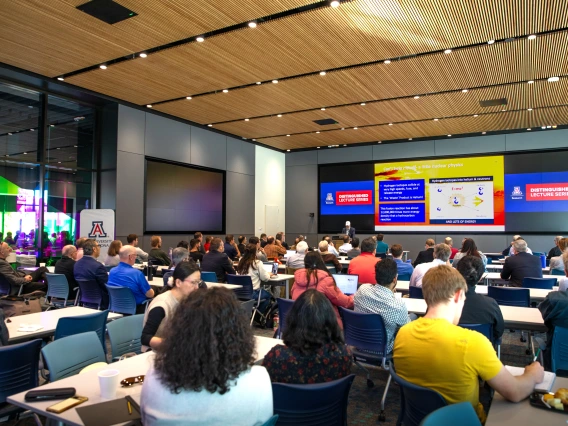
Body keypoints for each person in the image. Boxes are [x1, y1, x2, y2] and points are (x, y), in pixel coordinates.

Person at [394, 265, 544, 423]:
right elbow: (515, 392)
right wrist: (532, 375)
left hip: (415, 420)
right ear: (458, 295)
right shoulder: (472, 342)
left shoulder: (403, 333)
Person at [141, 286, 273, 426]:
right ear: (239, 332)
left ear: (178, 329)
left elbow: (145, 420)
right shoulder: (260, 379)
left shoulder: (154, 378)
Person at [263, 289, 352, 383]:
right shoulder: (344, 356)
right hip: (329, 398)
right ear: (331, 320)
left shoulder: (277, 356)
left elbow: (264, 389)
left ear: (293, 319)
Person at [354, 258, 411, 354]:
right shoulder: (398, 306)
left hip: (359, 345)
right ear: (394, 279)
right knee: (411, 318)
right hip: (383, 350)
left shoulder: (361, 290)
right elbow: (408, 330)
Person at [141, 261, 201, 352]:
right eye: (193, 282)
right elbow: (145, 338)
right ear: (178, 282)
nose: (197, 287)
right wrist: (175, 343)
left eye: (198, 282)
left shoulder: (187, 300)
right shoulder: (161, 305)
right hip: (156, 354)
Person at [292, 251, 353, 328]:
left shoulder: (297, 281)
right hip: (323, 327)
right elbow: (345, 302)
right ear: (321, 262)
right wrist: (355, 297)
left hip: (300, 326)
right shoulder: (326, 281)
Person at [456, 255, 504, 342]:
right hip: (482, 351)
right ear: (480, 278)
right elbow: (498, 332)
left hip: (448, 351)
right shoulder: (490, 304)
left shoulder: (441, 304)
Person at [108, 245, 155, 313]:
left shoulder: (112, 271)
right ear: (130, 257)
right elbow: (150, 294)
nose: (136, 257)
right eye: (135, 255)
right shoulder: (137, 274)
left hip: (116, 308)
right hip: (136, 309)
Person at [236, 244, 273, 313]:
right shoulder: (258, 263)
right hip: (253, 293)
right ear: (255, 253)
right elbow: (265, 278)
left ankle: (253, 313)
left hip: (239, 293)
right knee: (268, 296)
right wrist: (269, 274)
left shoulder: (240, 262)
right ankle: (258, 315)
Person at [74, 239, 109, 308]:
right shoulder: (98, 267)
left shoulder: (76, 264)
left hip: (84, 300)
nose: (99, 248)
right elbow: (106, 286)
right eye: (99, 246)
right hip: (102, 302)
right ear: (94, 249)